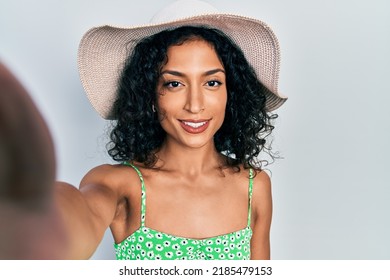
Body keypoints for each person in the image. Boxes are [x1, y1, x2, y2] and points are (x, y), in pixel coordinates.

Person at [0, 0, 287, 260]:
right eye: (174, 83)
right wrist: (31, 212)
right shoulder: (121, 184)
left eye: (212, 82)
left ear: (230, 92)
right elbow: (77, 214)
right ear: (150, 95)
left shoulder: (254, 186)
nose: (195, 105)